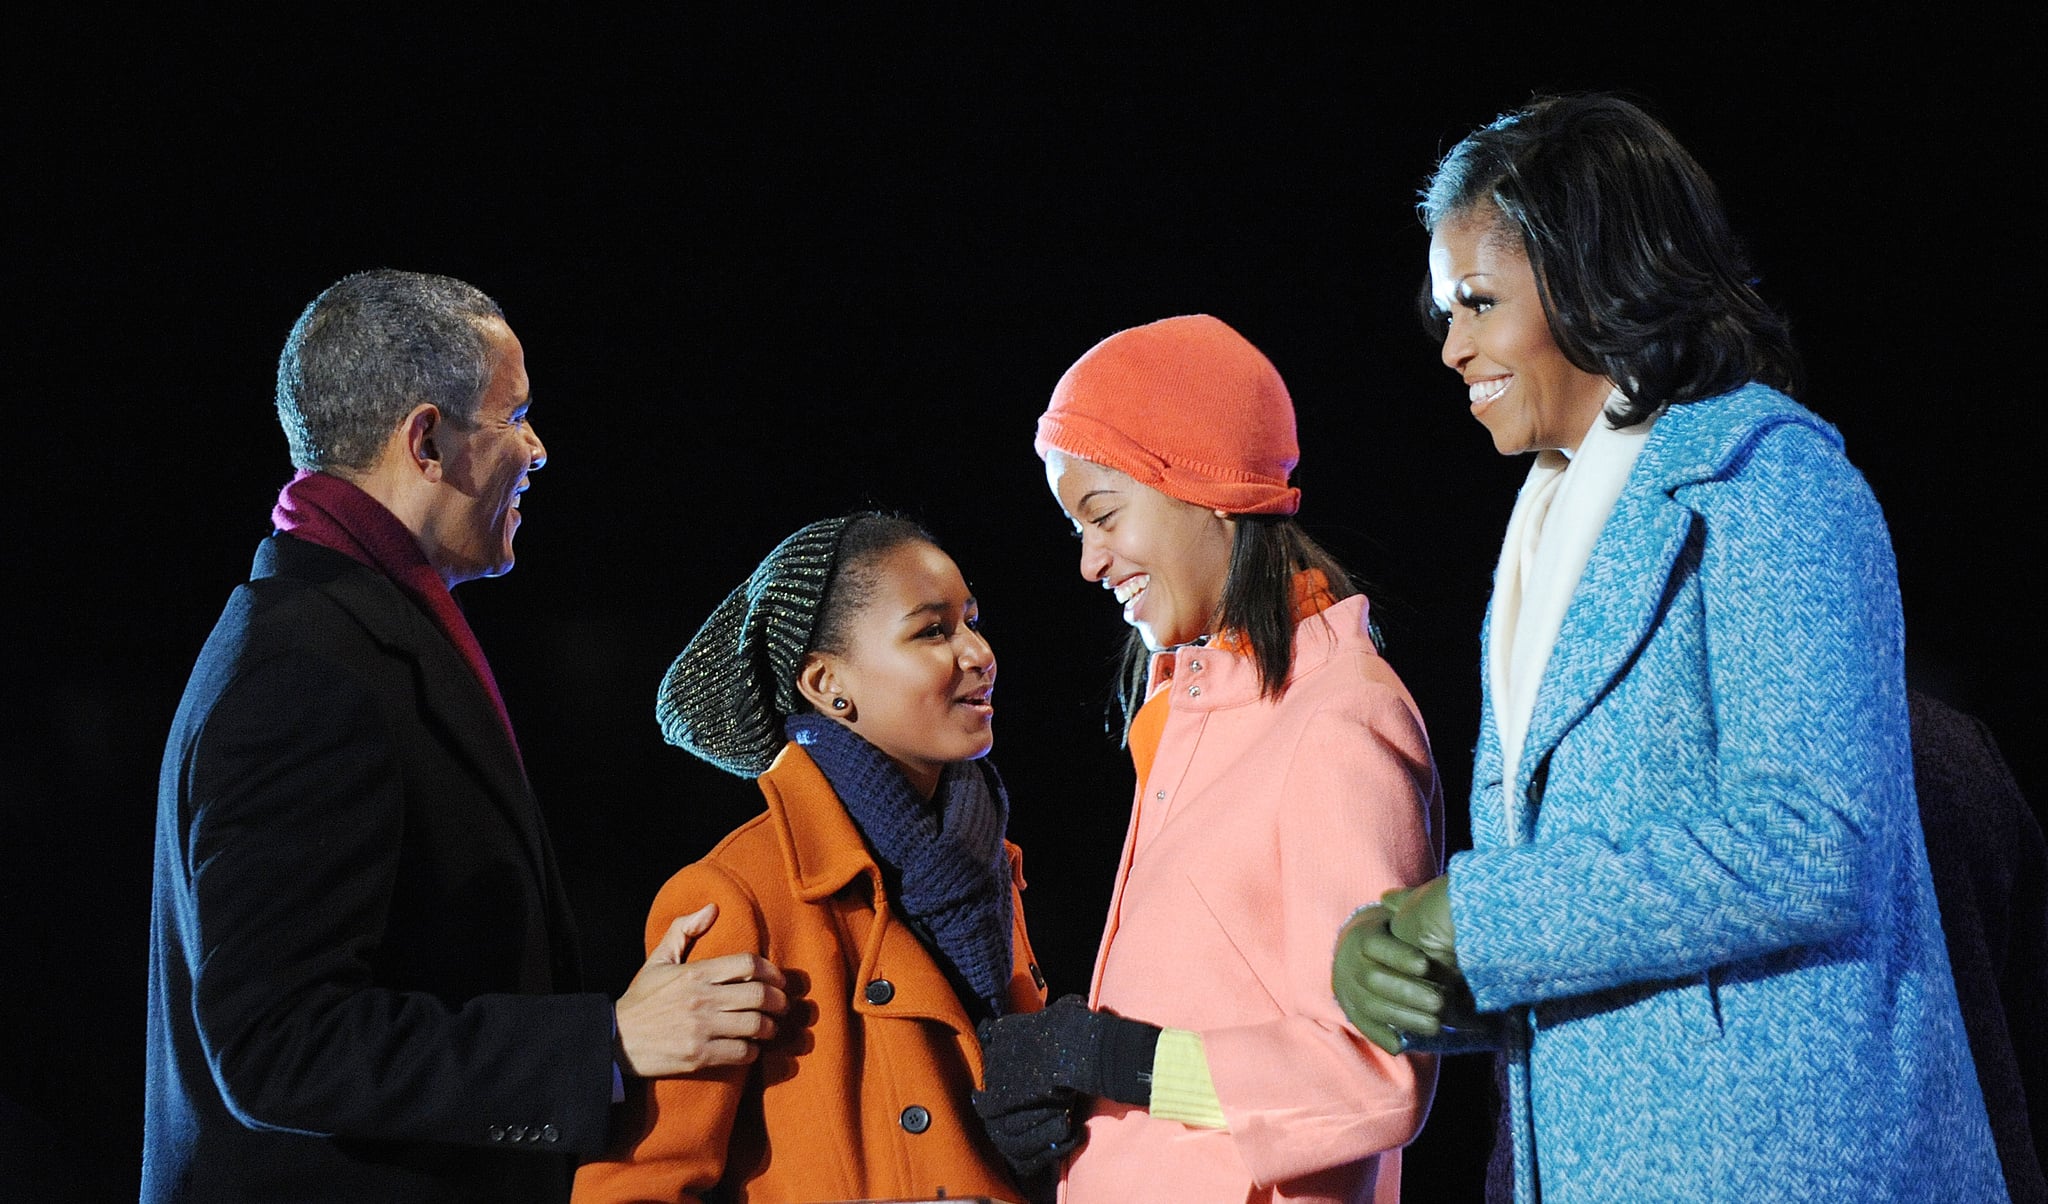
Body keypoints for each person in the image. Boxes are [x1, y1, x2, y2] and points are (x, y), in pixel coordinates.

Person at [1329, 94, 2006, 1200]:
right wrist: (1444, 979)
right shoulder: (1542, 533)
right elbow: (1598, 916)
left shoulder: (1771, 484)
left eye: (1479, 302)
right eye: (1444, 308)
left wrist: (1478, 914)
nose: (1449, 346)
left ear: (1592, 278)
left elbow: (1814, 840)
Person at [144, 270, 788, 1203]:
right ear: (427, 440)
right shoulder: (306, 668)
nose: (537, 447)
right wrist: (603, 1040)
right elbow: (278, 1049)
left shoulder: (339, 627)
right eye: (514, 413)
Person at [975, 315, 1444, 1203]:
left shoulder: (1339, 720)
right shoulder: (1198, 716)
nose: (1088, 561)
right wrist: (1074, 1102)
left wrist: (1115, 1059)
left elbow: (1372, 1078)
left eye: (1102, 514)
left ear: (1206, 483)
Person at [572, 512, 1048, 1203]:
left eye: (972, 621)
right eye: (933, 631)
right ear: (827, 686)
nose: (979, 653)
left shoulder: (986, 865)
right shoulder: (735, 896)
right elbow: (638, 1187)